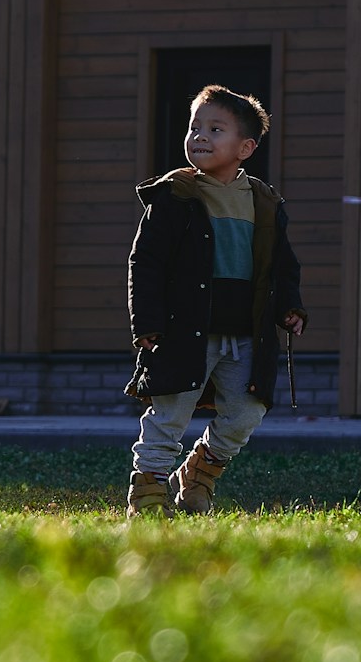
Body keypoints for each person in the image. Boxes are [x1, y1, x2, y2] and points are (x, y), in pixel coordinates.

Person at [124, 85, 306, 518]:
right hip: (184, 329)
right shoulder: (175, 197)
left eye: (214, 129)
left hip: (246, 332)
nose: (199, 136)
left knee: (247, 412)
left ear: (245, 147)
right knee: (170, 414)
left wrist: (291, 306)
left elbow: (282, 265)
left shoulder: (263, 202)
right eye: (194, 127)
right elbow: (144, 262)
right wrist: (146, 322)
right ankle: (148, 494)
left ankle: (200, 474)